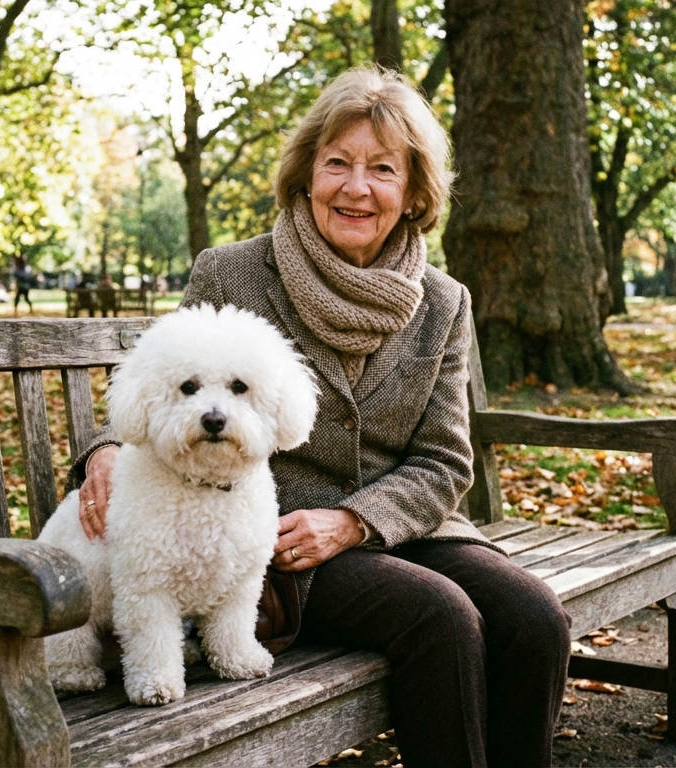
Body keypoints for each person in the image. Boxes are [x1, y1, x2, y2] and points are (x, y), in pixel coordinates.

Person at [69, 66, 570, 766]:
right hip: (278, 542)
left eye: (381, 169)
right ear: (307, 175)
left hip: (403, 528)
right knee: (442, 618)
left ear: (415, 192)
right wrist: (102, 449)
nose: (355, 187)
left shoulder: (444, 302)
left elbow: (446, 461)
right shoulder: (233, 273)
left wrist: (359, 521)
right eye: (337, 162)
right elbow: (171, 380)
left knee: (534, 619)